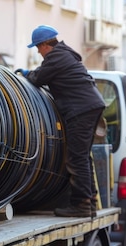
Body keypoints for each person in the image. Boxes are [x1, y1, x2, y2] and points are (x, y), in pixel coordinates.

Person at [16, 25, 105, 217]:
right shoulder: (64, 55)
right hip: (90, 106)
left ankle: (80, 205)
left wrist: (26, 74)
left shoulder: (56, 57)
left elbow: (38, 78)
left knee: (76, 158)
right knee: (82, 156)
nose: (38, 52)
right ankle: (89, 202)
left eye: (38, 47)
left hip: (81, 109)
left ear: (46, 45)